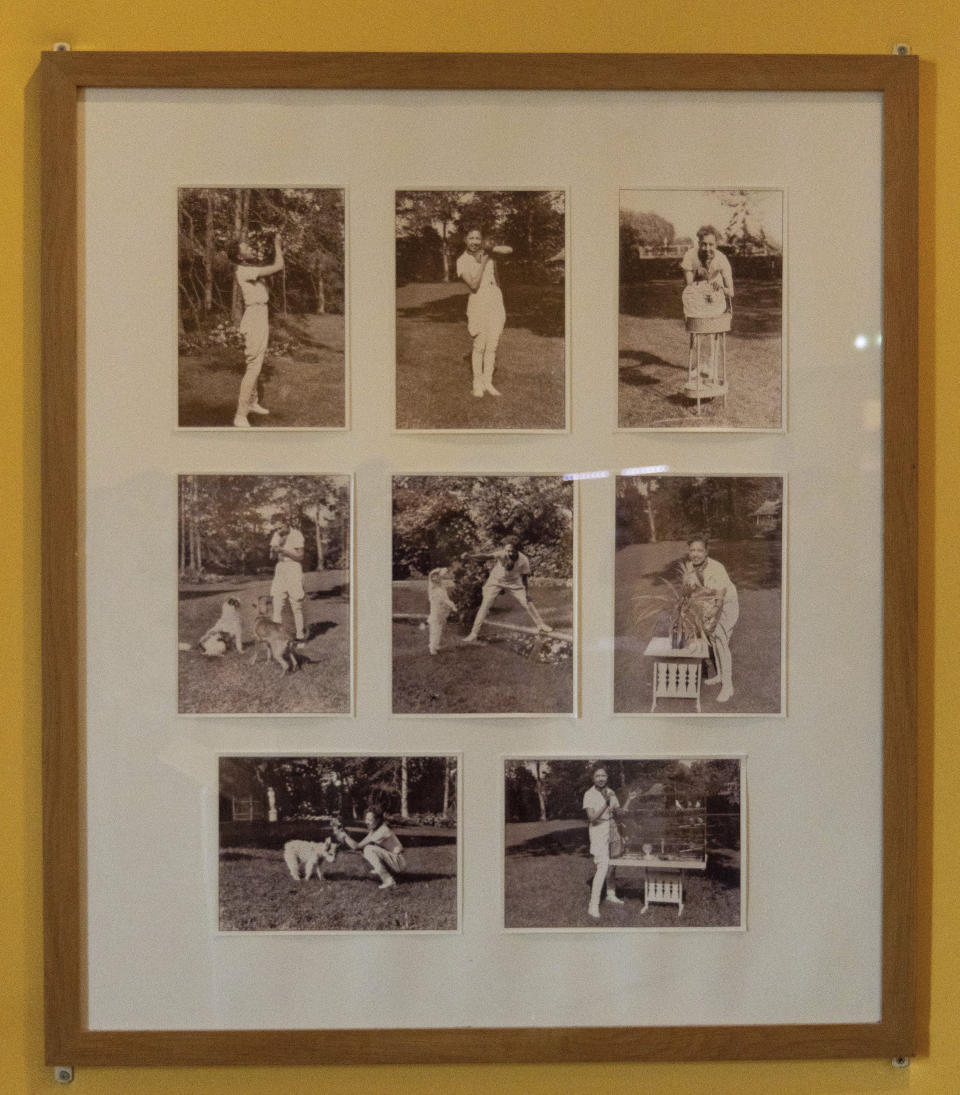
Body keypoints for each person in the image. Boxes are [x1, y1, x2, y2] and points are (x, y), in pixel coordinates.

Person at [227, 228, 284, 428]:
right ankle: (240, 415)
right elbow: (279, 265)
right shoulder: (243, 270)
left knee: (256, 362)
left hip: (260, 314)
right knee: (253, 366)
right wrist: (277, 244)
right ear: (238, 254)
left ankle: (252, 402)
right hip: (254, 318)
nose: (249, 247)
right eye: (245, 246)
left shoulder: (248, 268)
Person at [461, 536, 552, 642]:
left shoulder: (523, 560)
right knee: (485, 605)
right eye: (507, 550)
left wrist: (526, 593)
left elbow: (525, 578)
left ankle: (541, 625)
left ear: (517, 550)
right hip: (495, 581)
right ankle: (473, 634)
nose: (509, 553)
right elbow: (486, 556)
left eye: (512, 551)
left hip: (514, 583)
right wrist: (471, 556)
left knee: (527, 602)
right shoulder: (502, 553)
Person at [456, 228, 512, 398]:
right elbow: (473, 285)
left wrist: (489, 250)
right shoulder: (462, 260)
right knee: (480, 345)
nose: (474, 241)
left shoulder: (488, 253)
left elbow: (509, 250)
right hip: (478, 300)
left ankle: (488, 382)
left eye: (477, 238)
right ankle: (477, 384)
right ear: (466, 240)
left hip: (495, 299)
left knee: (492, 344)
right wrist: (484, 262)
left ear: (481, 240)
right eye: (471, 238)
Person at [683, 536, 739, 703]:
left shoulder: (717, 567)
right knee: (713, 640)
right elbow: (690, 590)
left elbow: (720, 594)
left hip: (726, 605)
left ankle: (728, 687)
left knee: (721, 641)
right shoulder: (689, 567)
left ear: (706, 552)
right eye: (692, 550)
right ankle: (720, 675)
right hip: (709, 604)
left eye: (699, 550)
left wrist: (714, 612)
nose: (695, 554)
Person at [582, 766, 625, 920]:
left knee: (613, 864)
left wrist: (630, 802)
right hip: (598, 831)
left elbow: (618, 812)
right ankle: (592, 905)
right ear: (593, 778)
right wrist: (606, 804)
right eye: (597, 776)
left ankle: (611, 893)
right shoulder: (589, 794)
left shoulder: (612, 792)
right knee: (602, 866)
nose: (601, 778)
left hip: (612, 829)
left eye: (603, 775)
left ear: (607, 777)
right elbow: (592, 818)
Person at [332, 806, 406, 889]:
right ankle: (384, 874)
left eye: (370, 820)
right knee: (364, 852)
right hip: (393, 860)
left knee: (368, 849)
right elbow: (358, 845)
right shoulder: (375, 830)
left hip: (398, 862)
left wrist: (344, 835)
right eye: (366, 819)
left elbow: (356, 847)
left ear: (378, 820)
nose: (366, 822)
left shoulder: (382, 831)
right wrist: (343, 832)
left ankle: (389, 880)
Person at [268, 512, 306, 642]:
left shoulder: (296, 534)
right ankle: (277, 639)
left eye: (280, 528)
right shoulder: (276, 535)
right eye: (276, 528)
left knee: (296, 604)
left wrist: (285, 551)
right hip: (280, 569)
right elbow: (271, 557)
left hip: (293, 568)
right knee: (277, 603)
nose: (278, 531)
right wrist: (273, 550)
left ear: (286, 523)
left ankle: (300, 637)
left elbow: (300, 557)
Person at [681, 225, 735, 304]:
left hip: (716, 298)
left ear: (716, 245)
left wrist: (721, 288)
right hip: (696, 299)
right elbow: (689, 287)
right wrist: (697, 275)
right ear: (699, 243)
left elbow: (731, 292)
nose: (707, 248)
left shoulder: (722, 259)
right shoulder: (690, 256)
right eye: (704, 244)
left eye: (711, 244)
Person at [426, 567, 457, 655]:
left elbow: (449, 582)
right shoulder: (435, 589)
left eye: (437, 576)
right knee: (435, 628)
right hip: (437, 611)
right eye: (433, 577)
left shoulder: (441, 586)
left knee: (439, 628)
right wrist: (453, 606)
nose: (435, 578)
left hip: (441, 610)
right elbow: (445, 600)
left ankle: (435, 645)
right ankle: (432, 647)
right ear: (431, 578)